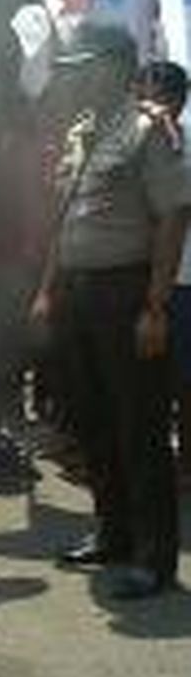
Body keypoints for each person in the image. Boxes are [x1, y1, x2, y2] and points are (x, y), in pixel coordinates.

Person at [32, 26, 190, 599]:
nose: (74, 78)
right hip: (76, 292)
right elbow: (64, 219)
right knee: (92, 420)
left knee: (140, 425)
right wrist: (47, 290)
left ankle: (154, 559)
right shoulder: (82, 131)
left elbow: (173, 217)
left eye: (85, 67)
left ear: (118, 68)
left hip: (125, 292)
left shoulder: (150, 129)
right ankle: (113, 533)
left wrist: (155, 304)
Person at [136, 61, 191, 483]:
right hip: (148, 277)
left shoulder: (180, 145)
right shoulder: (136, 144)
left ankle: (184, 464)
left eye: (151, 96)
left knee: (183, 379)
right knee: (152, 378)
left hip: (182, 282)